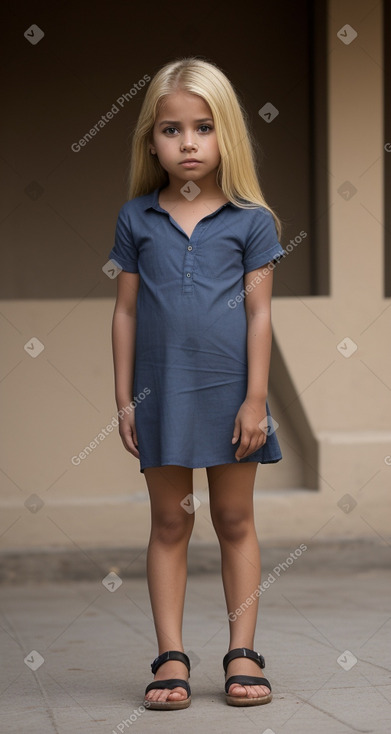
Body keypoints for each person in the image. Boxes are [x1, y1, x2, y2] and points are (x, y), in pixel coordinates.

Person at [108, 56, 286, 710]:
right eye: (172, 129)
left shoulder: (252, 221)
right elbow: (124, 311)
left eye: (204, 127)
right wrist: (124, 397)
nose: (187, 142)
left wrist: (255, 399)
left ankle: (243, 651)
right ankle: (170, 656)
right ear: (150, 140)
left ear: (226, 135)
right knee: (168, 522)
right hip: (161, 394)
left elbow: (260, 313)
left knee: (234, 517)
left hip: (231, 393)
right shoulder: (135, 219)